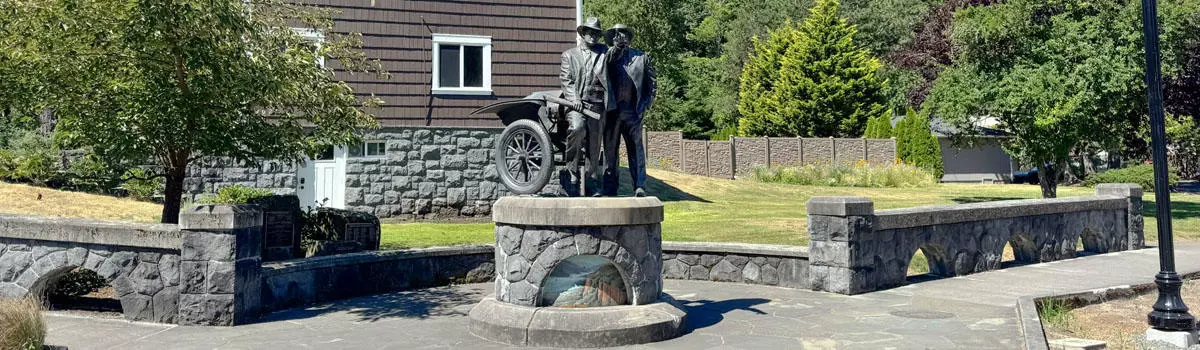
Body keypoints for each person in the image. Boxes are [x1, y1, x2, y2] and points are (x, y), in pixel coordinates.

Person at [602, 24, 656, 197]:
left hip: (633, 112)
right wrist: (616, 49)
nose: (621, 38)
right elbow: (605, 66)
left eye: (624, 34)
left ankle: (639, 185)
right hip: (613, 111)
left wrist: (645, 105)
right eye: (618, 35)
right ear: (613, 39)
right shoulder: (608, 56)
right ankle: (610, 188)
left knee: (636, 151)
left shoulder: (641, 57)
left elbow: (652, 83)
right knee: (611, 151)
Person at [558, 17, 610, 197]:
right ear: (583, 34)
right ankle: (571, 174)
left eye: (597, 33)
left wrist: (619, 42)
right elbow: (566, 80)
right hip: (576, 106)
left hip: (597, 105)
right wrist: (575, 98)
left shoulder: (604, 52)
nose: (593, 36)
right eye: (590, 32)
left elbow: (615, 55)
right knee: (577, 128)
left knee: (595, 144)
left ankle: (591, 181)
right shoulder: (569, 55)